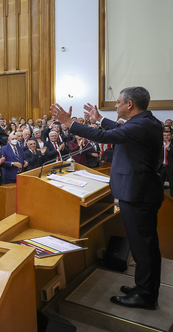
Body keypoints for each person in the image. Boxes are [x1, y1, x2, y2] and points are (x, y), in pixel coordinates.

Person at [51, 87, 164, 309]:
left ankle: (146, 296)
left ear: (129, 105)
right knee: (143, 245)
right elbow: (117, 131)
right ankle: (144, 287)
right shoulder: (143, 122)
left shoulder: (141, 125)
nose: (115, 105)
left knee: (144, 247)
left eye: (118, 102)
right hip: (140, 192)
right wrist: (100, 119)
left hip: (138, 195)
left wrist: (70, 123)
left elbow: (106, 137)